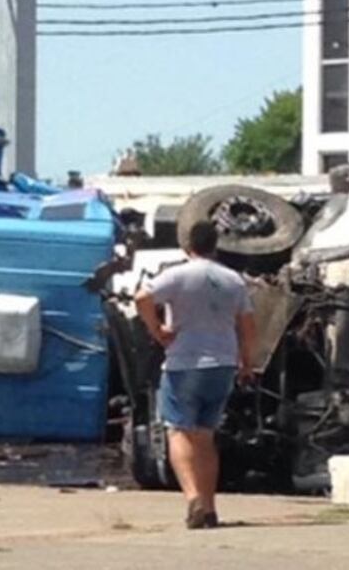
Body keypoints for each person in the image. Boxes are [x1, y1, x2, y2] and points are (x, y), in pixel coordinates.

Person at [134, 221, 256, 529]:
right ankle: (211, 508)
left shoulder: (177, 274)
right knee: (205, 436)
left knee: (178, 430)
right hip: (223, 364)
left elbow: (141, 298)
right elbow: (248, 326)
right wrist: (246, 363)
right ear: (216, 246)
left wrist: (157, 330)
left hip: (184, 363)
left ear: (188, 246)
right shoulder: (234, 280)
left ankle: (193, 499)